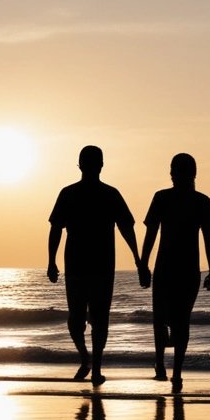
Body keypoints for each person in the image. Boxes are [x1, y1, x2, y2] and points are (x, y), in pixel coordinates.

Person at [47, 145, 144, 386]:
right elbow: (56, 228)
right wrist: (51, 261)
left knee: (100, 318)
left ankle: (97, 367)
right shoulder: (68, 193)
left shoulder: (110, 194)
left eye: (93, 163)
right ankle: (86, 358)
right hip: (77, 265)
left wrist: (138, 259)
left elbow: (126, 227)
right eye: (88, 163)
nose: (91, 167)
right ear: (81, 166)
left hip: (101, 266)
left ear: (100, 166)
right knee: (76, 318)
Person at [138, 153, 210, 391]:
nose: (174, 175)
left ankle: (165, 367)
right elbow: (209, 239)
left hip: (173, 270)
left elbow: (207, 237)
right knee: (178, 322)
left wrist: (143, 264)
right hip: (182, 270)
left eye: (176, 170)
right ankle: (171, 371)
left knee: (166, 320)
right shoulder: (195, 200)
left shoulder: (173, 199)